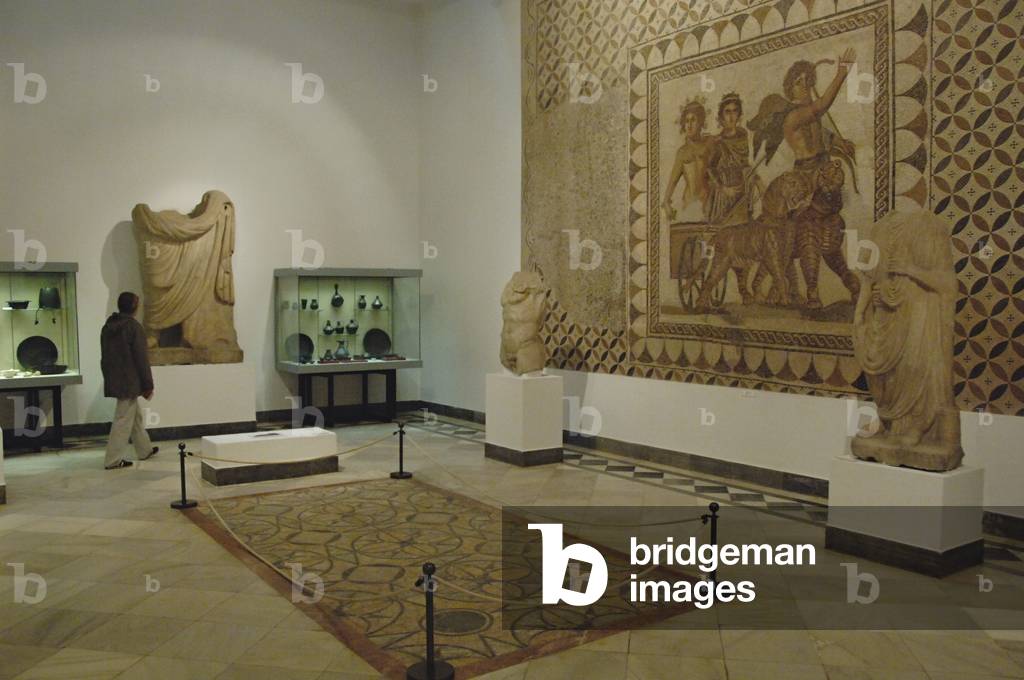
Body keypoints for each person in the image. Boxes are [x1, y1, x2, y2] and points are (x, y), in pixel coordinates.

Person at [101, 292, 158, 469]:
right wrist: (148, 384)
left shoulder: (108, 326)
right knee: (123, 419)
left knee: (134, 416)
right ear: (134, 306)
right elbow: (141, 358)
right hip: (129, 380)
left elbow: (105, 357)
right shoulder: (133, 327)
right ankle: (113, 460)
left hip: (115, 377)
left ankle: (144, 449)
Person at [662, 97, 714, 224]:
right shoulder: (682, 153)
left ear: (701, 122)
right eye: (686, 121)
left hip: (709, 206)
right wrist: (666, 202)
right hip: (689, 206)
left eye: (693, 120)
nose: (689, 125)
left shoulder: (709, 145)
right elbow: (673, 181)